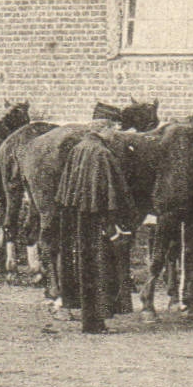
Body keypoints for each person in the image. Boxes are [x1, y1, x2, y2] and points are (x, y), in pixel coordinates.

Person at [54, 131, 136, 333]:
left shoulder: (77, 149)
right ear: (106, 127)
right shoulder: (102, 153)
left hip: (79, 216)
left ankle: (89, 319)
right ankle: (95, 323)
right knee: (100, 269)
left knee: (85, 268)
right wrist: (123, 219)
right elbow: (115, 192)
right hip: (99, 218)